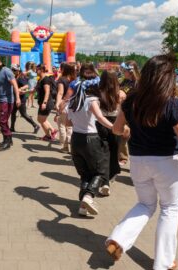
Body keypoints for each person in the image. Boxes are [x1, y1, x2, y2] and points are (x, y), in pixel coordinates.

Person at [105, 54, 178, 270]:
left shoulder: (131, 101)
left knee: (145, 204)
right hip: (166, 162)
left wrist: (128, 129)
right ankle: (164, 263)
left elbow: (116, 129)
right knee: (170, 207)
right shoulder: (174, 105)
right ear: (167, 78)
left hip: (138, 162)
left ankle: (118, 239)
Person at [67, 63, 118, 216]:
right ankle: (89, 196)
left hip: (76, 139)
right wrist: (114, 128)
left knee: (85, 174)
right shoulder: (91, 100)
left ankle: (83, 206)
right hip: (91, 139)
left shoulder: (73, 102)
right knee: (101, 172)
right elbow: (100, 118)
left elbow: (67, 122)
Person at [95, 70, 127, 196]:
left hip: (100, 123)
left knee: (103, 152)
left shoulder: (97, 92)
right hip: (116, 122)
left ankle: (104, 180)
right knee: (114, 150)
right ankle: (111, 174)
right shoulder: (121, 94)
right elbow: (124, 112)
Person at [0, 55, 21, 151]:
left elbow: (15, 85)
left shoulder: (6, 71)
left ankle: (7, 140)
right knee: (4, 121)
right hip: (1, 100)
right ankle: (8, 139)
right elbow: (1, 86)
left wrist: (18, 98)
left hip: (6, 101)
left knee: (2, 122)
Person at [118, 61, 140, 165]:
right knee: (123, 133)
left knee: (134, 137)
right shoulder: (124, 81)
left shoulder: (138, 83)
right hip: (124, 111)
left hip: (135, 112)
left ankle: (135, 160)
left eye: (125, 70)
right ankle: (123, 157)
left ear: (131, 71)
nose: (123, 72)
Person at [9, 64, 40, 134]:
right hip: (15, 98)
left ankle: (35, 125)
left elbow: (26, 85)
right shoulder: (15, 76)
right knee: (13, 113)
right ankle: (12, 127)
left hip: (21, 99)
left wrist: (20, 89)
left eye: (14, 70)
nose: (13, 71)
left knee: (23, 114)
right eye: (12, 70)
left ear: (18, 70)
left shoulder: (21, 77)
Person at [55, 62, 76, 152]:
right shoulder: (75, 80)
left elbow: (60, 92)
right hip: (74, 104)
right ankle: (71, 145)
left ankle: (64, 145)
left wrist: (57, 103)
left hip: (65, 103)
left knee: (62, 124)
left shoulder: (62, 79)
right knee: (70, 126)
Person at [36, 64, 57, 141]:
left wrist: (44, 103)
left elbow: (47, 92)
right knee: (41, 119)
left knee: (41, 119)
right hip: (42, 102)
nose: (36, 71)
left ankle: (49, 134)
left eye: (37, 69)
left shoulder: (46, 80)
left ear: (41, 70)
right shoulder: (40, 79)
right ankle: (52, 131)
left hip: (47, 102)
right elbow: (36, 89)